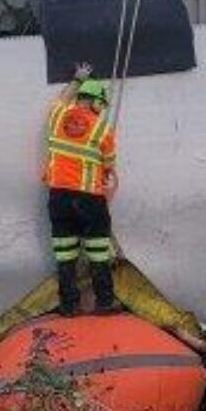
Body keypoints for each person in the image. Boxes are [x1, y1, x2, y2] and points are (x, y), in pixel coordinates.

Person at [44, 63, 119, 316]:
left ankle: (69, 306)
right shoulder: (102, 128)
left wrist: (76, 79)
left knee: (65, 256)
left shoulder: (57, 116)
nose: (102, 111)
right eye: (102, 105)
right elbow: (109, 168)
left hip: (58, 198)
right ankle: (105, 303)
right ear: (96, 101)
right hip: (89, 201)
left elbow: (61, 98)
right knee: (98, 254)